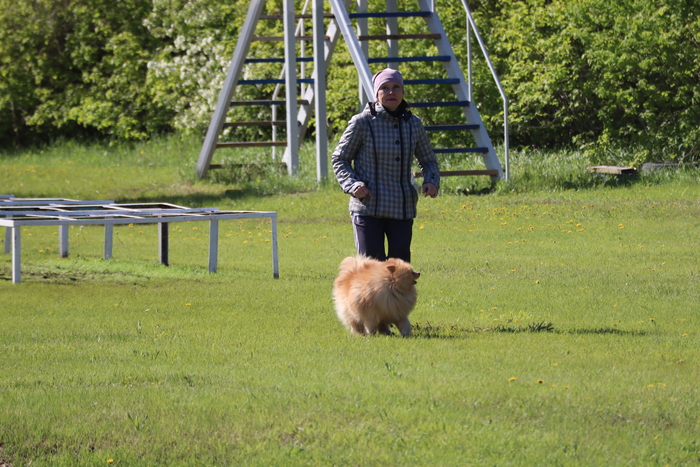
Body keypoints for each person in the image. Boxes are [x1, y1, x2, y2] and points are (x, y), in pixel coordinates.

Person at [332, 68, 440, 264]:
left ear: (403, 91)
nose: (391, 92)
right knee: (371, 271)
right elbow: (340, 159)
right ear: (376, 93)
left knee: (400, 273)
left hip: (402, 208)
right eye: (385, 88)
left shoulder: (413, 124)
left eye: (396, 87)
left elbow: (428, 160)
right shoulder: (362, 122)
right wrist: (353, 185)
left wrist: (431, 181)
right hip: (367, 207)